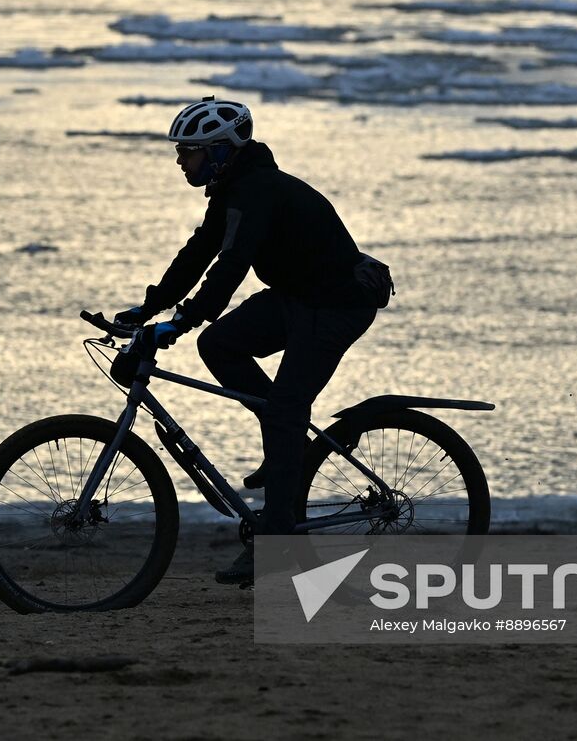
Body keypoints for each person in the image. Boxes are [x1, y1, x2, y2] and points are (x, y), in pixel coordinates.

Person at [113, 96, 393, 585]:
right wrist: (149, 307)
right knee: (218, 344)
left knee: (285, 408)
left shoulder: (256, 190)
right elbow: (199, 252)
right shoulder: (232, 189)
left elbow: (232, 265)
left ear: (221, 150)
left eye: (189, 151)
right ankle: (287, 443)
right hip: (297, 296)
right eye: (180, 151)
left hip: (335, 305)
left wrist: (182, 321)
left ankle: (277, 542)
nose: (180, 160)